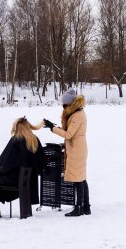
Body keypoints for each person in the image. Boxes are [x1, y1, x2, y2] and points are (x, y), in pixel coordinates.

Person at [0, 117, 45, 219]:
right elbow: (41, 164)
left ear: (17, 127)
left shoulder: (16, 140)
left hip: (12, 179)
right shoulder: (35, 140)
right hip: (28, 182)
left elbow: (6, 164)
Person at [43, 88, 90, 217]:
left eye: (64, 104)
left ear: (70, 103)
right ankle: (86, 207)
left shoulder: (77, 115)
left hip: (77, 150)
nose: (63, 107)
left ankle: (79, 207)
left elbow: (69, 134)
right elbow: (69, 131)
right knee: (82, 178)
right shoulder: (76, 113)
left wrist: (53, 129)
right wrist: (54, 126)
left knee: (78, 179)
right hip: (77, 148)